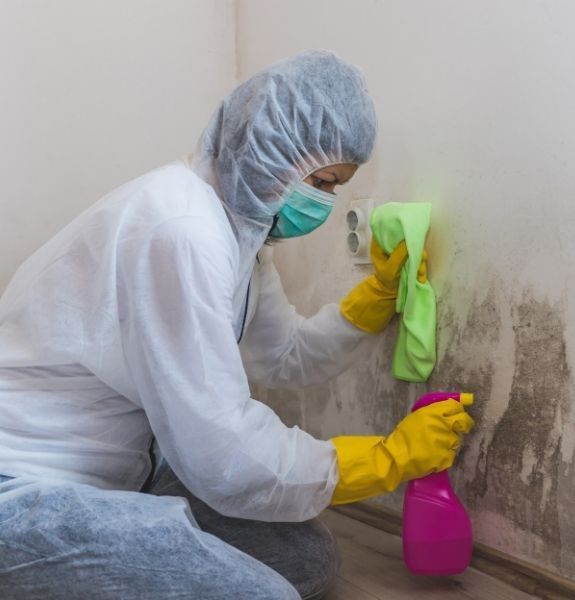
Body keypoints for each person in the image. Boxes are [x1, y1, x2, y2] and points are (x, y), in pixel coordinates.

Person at [0, 50, 474, 599]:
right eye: (320, 181)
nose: (323, 204)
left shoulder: (240, 233)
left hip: (120, 473)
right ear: (271, 148)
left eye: (334, 187)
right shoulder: (180, 227)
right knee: (264, 594)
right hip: (23, 489)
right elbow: (222, 453)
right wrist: (386, 459)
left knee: (303, 559)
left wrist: (375, 297)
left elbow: (285, 354)